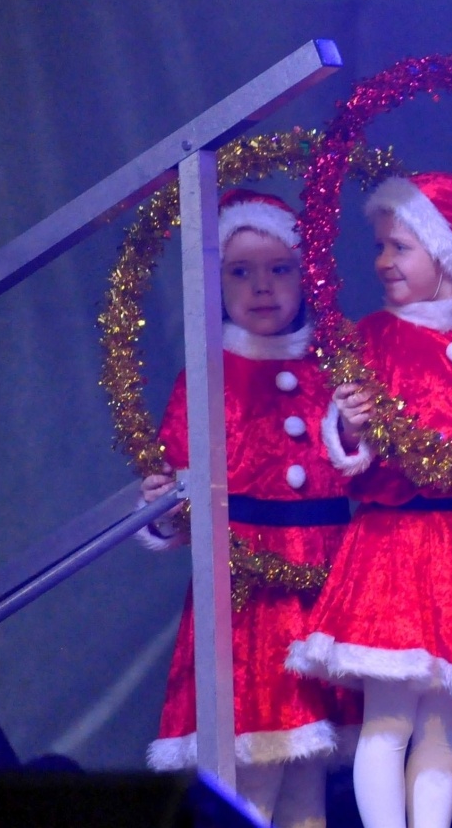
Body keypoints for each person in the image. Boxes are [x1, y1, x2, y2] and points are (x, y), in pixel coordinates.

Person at [287, 173, 452, 828]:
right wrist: (352, 426)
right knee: (388, 718)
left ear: (448, 254)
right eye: (380, 247)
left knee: (444, 723)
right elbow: (340, 449)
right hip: (394, 547)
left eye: (400, 247)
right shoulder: (371, 338)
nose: (383, 262)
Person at [139, 189, 356, 828]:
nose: (262, 286)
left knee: (309, 775)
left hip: (322, 590)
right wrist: (163, 508)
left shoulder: (332, 369)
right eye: (241, 271)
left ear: (305, 275)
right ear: (217, 283)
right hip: (247, 601)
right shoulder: (205, 379)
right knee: (251, 775)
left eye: (279, 268)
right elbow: (173, 503)